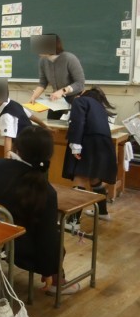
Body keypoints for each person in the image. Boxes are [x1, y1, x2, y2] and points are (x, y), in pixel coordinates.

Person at [0, 127, 80, 295]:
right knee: (56, 239)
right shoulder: (45, 191)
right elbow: (46, 236)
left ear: (17, 147)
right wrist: (48, 269)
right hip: (12, 245)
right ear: (48, 155)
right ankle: (56, 281)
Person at [62, 87, 117, 223]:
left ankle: (73, 222)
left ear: (84, 94)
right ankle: (102, 212)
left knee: (80, 177)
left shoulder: (80, 101)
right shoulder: (99, 106)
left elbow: (78, 122)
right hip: (104, 144)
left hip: (89, 142)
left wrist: (75, 144)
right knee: (95, 178)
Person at [0, 78, 51, 157]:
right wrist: (45, 127)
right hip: (34, 142)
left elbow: (8, 138)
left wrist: (6, 160)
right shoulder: (14, 103)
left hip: (26, 146)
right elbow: (31, 116)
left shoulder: (6, 115)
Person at [29, 34, 85, 119]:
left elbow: (80, 83)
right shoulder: (42, 61)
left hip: (74, 99)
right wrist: (34, 96)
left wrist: (62, 91)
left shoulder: (69, 58)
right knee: (51, 123)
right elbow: (42, 83)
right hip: (56, 99)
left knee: (71, 124)